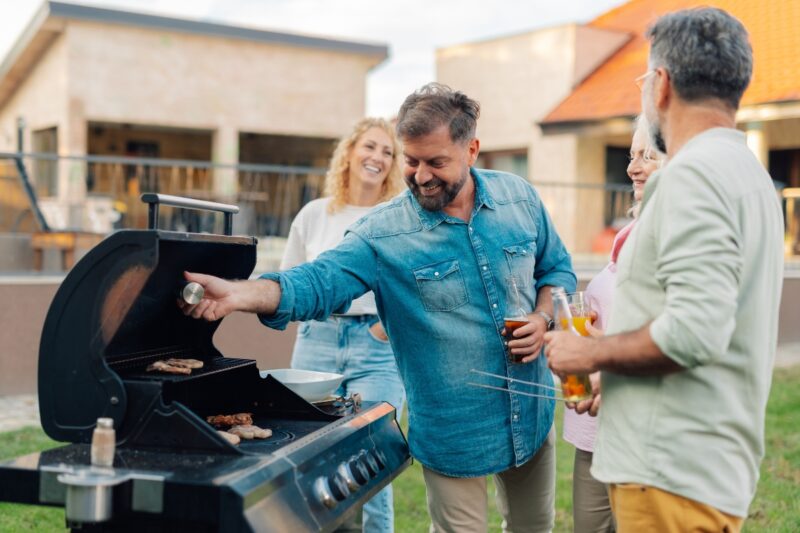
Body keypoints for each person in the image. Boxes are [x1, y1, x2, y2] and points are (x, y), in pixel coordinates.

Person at [179, 83, 576, 532]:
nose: (422, 175)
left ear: (472, 150)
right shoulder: (382, 233)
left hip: (531, 415)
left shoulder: (519, 198)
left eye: (437, 162)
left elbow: (557, 270)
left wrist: (543, 318)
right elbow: (318, 281)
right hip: (453, 431)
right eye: (411, 160)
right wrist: (241, 293)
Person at [544, 7, 784, 532]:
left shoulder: (690, 175)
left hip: (668, 473)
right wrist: (616, 370)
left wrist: (589, 351)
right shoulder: (749, 173)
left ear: (663, 84)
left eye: (644, 77)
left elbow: (695, 331)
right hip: (705, 468)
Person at [280, 117, 405, 533]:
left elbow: (412, 284)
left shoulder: (397, 217)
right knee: (306, 456)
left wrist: (381, 330)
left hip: (377, 347)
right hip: (317, 341)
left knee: (372, 460)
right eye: (370, 147)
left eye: (388, 152)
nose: (378, 158)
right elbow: (292, 283)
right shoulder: (314, 215)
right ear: (350, 153)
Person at [563, 115, 664, 533]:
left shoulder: (678, 234)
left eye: (647, 155)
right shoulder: (627, 234)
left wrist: (602, 348)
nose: (632, 166)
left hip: (641, 429)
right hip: (594, 425)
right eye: (631, 155)